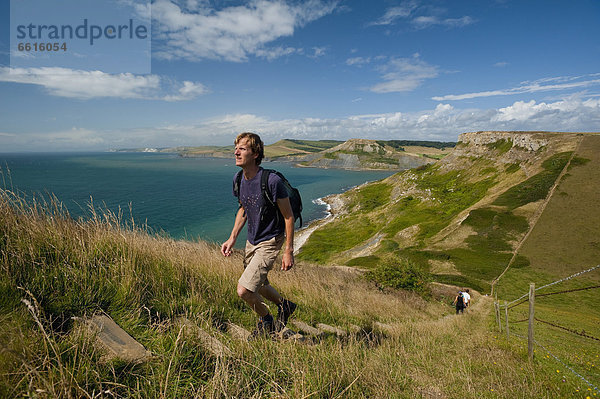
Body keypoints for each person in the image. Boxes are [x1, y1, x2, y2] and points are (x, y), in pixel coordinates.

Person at [221, 132, 297, 339]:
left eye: (242, 148)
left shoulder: (271, 181)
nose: (236, 152)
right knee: (260, 285)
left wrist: (288, 251)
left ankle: (267, 320)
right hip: (251, 240)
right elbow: (243, 209)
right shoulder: (239, 179)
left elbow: (288, 217)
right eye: (236, 147)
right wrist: (232, 237)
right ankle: (285, 306)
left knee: (244, 290)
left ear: (255, 154)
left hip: (271, 240)